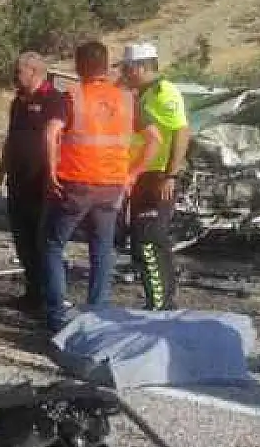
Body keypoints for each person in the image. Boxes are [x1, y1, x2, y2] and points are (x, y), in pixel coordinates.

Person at [43, 41, 161, 333]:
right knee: (102, 248)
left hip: (76, 182)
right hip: (112, 187)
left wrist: (50, 173)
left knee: (52, 245)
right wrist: (133, 173)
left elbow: (50, 134)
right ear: (107, 66)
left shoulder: (71, 95)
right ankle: (98, 312)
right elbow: (155, 138)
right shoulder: (126, 99)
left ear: (78, 65)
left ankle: (58, 313)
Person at [121, 43, 190, 311]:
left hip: (158, 176)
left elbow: (182, 132)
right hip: (143, 175)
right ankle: (159, 301)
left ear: (140, 67)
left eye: (127, 69)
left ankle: (160, 306)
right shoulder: (142, 93)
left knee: (148, 239)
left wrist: (171, 175)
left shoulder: (164, 92)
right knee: (143, 241)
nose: (124, 74)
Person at [0, 53, 61, 314]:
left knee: (43, 242)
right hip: (18, 182)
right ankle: (32, 293)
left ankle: (49, 298)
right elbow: (10, 141)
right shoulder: (18, 102)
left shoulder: (54, 100)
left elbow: (57, 139)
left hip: (42, 183)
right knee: (23, 241)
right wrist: (0, 174)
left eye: (18, 71)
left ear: (34, 72)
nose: (14, 76)